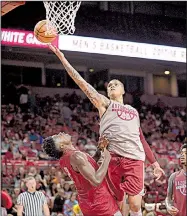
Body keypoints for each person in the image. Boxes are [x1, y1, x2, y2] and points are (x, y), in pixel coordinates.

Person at [48, 44, 165, 216]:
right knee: (117, 203)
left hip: (134, 158)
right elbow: (82, 83)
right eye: (109, 84)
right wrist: (62, 58)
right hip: (112, 158)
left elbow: (141, 138)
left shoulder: (133, 111)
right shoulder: (104, 104)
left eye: (115, 84)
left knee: (134, 205)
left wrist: (154, 163)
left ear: (123, 90)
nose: (111, 86)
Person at [42, 132, 122, 216]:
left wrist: (99, 149)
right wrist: (107, 158)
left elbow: (88, 165)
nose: (61, 133)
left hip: (87, 203)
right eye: (58, 136)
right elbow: (96, 181)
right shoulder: (76, 156)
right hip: (101, 203)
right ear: (62, 146)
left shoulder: (63, 160)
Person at [165, 143, 186, 216]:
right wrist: (169, 207)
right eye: (182, 153)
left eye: (186, 153)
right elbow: (168, 198)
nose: (182, 155)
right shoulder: (174, 176)